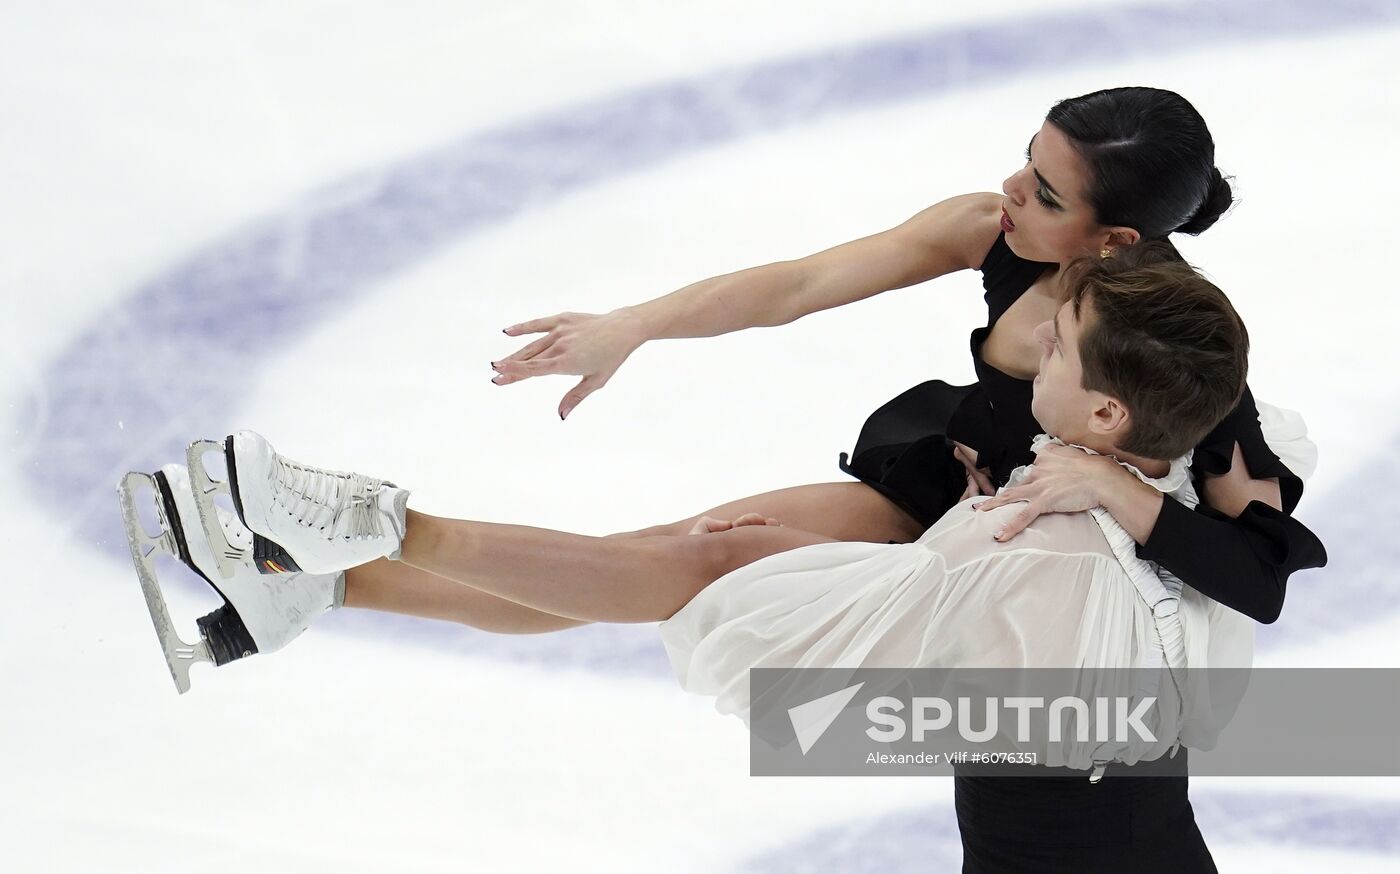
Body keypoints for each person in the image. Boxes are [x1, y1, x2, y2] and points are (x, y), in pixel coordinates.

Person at [127, 244, 1254, 873]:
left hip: (1067, 830)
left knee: (699, 567)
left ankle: (370, 532)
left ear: (1108, 414)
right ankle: (333, 565)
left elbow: (821, 667)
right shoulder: (1104, 463)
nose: (1030, 341)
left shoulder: (1054, 541)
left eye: (1052, 345)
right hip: (1086, 813)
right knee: (689, 558)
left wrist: (769, 570)